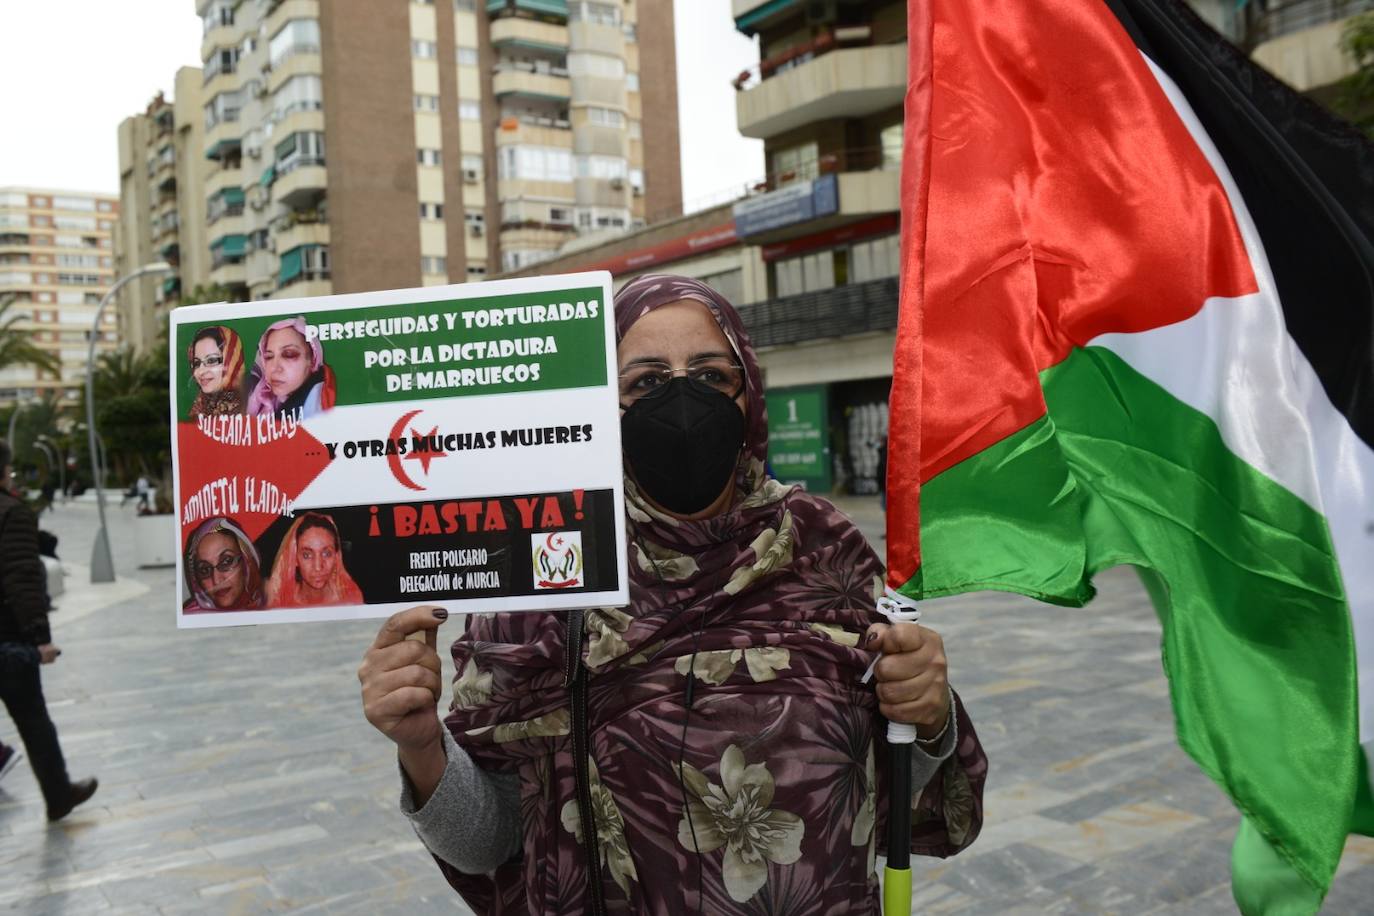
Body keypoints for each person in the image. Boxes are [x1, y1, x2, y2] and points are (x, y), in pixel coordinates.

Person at [359, 275, 986, 914]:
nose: (683, 400)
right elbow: (489, 843)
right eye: (647, 382)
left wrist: (930, 715)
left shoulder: (825, 550)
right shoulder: (543, 572)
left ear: (749, 397)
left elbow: (901, 790)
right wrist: (420, 745)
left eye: (712, 376)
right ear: (604, 405)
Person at [0, 440, 98, 820]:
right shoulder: (13, 514)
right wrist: (40, 639)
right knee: (33, 721)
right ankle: (58, 795)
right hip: (9, 640)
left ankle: (60, 793)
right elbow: (22, 579)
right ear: (5, 470)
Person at [265, 512, 364, 608]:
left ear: (336, 557)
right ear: (294, 558)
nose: (318, 567)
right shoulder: (279, 600)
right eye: (307, 555)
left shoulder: (350, 600)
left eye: (326, 554)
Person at [246, 316, 337, 419]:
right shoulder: (257, 399)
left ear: (313, 360)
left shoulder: (320, 401)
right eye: (269, 357)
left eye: (289, 354)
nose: (275, 368)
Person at [181, 517, 266, 612]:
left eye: (226, 562)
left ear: (246, 562)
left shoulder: (273, 605)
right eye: (204, 570)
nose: (217, 581)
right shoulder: (192, 617)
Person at [187, 325, 246, 417]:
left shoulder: (253, 409)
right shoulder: (199, 409)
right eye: (197, 363)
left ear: (231, 362)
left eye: (211, 360)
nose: (201, 371)